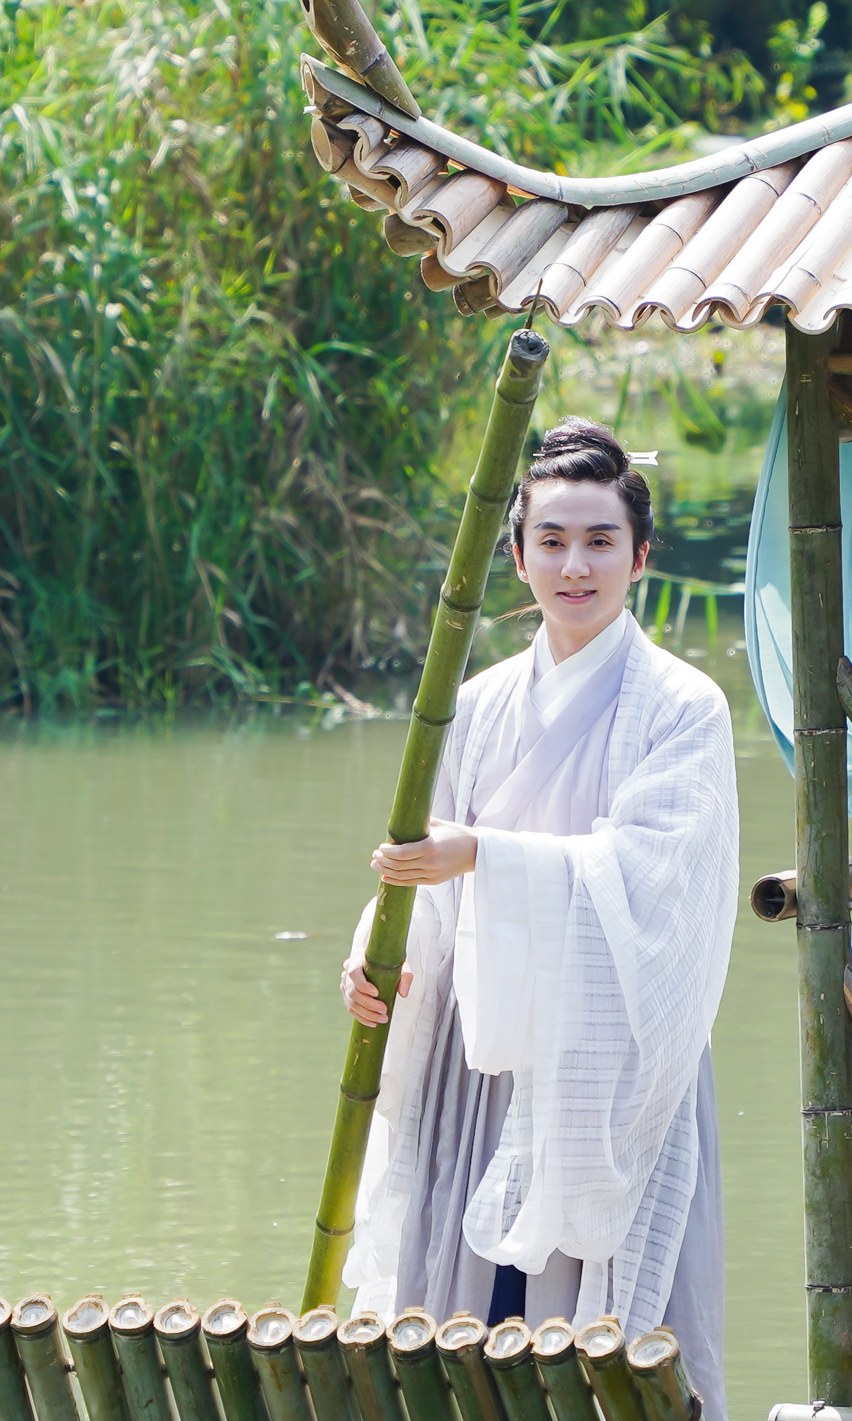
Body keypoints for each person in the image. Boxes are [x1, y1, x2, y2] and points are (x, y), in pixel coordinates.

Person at [337, 416, 737, 1417]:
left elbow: (654, 883)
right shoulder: (472, 704)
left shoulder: (683, 707)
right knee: (466, 1341)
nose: (575, 565)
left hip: (615, 1067)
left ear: (640, 556)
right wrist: (377, 956)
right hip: (476, 1061)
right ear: (516, 555)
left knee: (605, 1356)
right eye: (551, 540)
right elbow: (423, 873)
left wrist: (485, 853)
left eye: (600, 540)